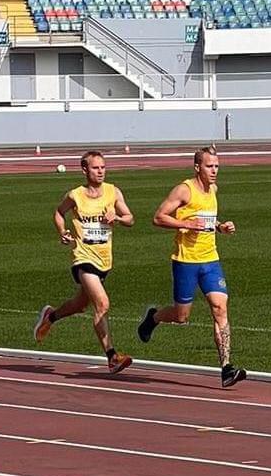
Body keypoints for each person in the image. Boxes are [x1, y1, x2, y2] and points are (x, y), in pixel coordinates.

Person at [138, 147, 246, 388]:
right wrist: (185, 223)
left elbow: (207, 219)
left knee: (220, 309)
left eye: (217, 166)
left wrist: (220, 227)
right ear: (197, 167)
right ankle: (153, 317)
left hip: (210, 260)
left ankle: (226, 368)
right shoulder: (184, 190)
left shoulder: (213, 190)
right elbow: (158, 217)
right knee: (181, 316)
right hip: (186, 261)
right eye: (210, 166)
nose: (215, 170)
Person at [34, 150, 135, 374]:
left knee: (80, 304)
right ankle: (112, 357)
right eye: (96, 168)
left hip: (104, 259)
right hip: (83, 257)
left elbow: (130, 218)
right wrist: (62, 232)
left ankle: (50, 316)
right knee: (102, 304)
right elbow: (59, 212)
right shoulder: (75, 195)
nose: (101, 171)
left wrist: (117, 218)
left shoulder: (113, 192)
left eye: (103, 167)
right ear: (85, 170)